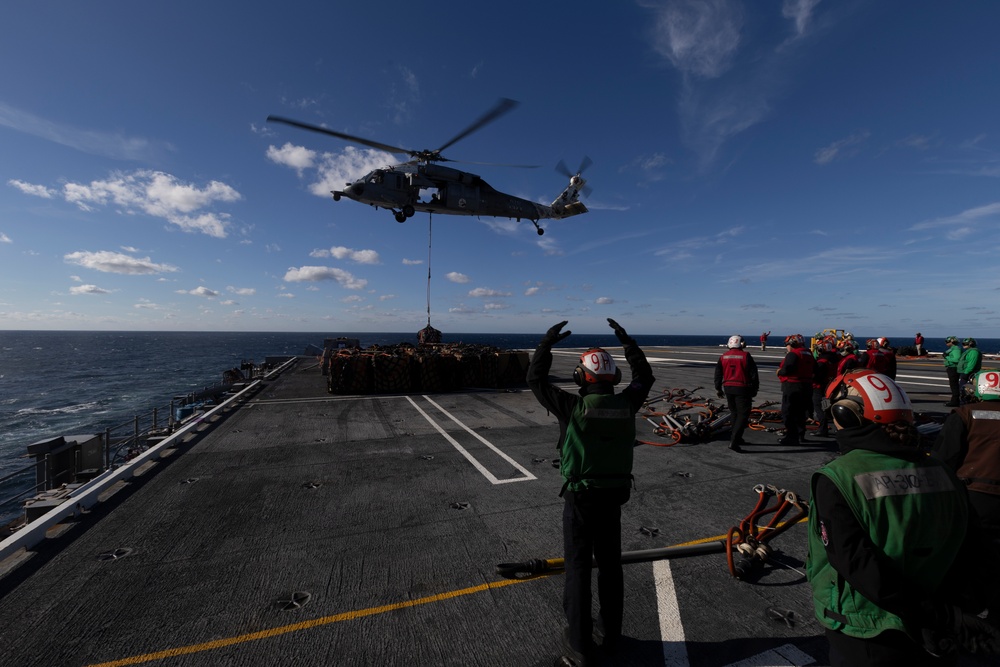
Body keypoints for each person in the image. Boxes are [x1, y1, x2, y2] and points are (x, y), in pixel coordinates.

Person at [807, 369, 999, 665]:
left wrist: (937, 614)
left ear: (846, 415)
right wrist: (954, 613)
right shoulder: (943, 471)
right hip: (939, 619)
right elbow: (976, 546)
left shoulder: (838, 477)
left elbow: (856, 564)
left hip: (867, 627)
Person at [527, 318, 655, 666]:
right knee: (611, 568)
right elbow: (645, 378)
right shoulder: (627, 403)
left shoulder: (573, 408)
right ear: (613, 378)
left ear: (580, 378)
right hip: (614, 495)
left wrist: (546, 344)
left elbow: (535, 380)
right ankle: (610, 635)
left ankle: (580, 643)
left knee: (579, 569)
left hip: (581, 498)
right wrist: (628, 343)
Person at [933, 370, 1000, 628]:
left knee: (964, 558)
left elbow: (943, 460)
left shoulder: (964, 415)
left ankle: (966, 618)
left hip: (973, 500)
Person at [714, 335, 759, 453]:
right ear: (742, 344)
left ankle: (736, 438)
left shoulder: (723, 357)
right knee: (743, 415)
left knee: (734, 413)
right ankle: (734, 441)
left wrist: (718, 389)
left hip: (728, 388)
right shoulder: (746, 356)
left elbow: (718, 374)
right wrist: (755, 389)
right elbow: (754, 375)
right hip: (742, 389)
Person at [775, 333, 815, 445]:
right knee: (801, 413)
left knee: (788, 412)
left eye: (787, 344)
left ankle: (792, 437)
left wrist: (779, 372)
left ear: (792, 344)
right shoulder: (808, 353)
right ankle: (800, 435)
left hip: (792, 386)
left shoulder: (793, 354)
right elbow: (814, 369)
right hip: (806, 386)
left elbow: (787, 370)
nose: (787, 347)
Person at [811, 340, 839, 438]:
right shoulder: (835, 359)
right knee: (827, 408)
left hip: (819, 388)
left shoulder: (822, 362)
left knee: (819, 409)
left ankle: (822, 430)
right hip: (829, 387)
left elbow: (816, 376)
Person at [958, 338, 983, 405]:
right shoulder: (969, 351)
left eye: (965, 344)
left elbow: (972, 363)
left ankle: (966, 402)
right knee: (963, 389)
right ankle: (964, 401)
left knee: (967, 389)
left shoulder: (973, 352)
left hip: (969, 373)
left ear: (971, 344)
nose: (963, 345)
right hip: (966, 372)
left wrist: (966, 372)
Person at [944, 336, 963, 407]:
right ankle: (954, 400)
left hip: (953, 368)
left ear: (952, 342)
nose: (946, 343)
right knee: (953, 385)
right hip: (951, 368)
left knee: (954, 385)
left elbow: (956, 359)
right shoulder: (953, 349)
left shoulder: (956, 349)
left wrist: (947, 357)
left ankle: (955, 401)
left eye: (947, 341)